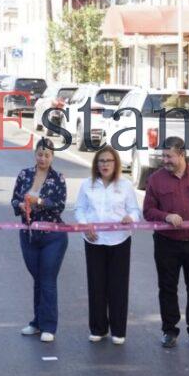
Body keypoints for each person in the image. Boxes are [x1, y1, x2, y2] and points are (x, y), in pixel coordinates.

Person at [143, 136, 189, 350]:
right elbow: (148, 211)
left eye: (169, 156)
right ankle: (169, 330)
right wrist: (166, 216)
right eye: (163, 156)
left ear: (182, 155)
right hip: (167, 243)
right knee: (167, 287)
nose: (165, 160)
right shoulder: (156, 179)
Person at [75, 145, 139, 346]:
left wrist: (131, 218)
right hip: (94, 240)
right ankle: (98, 328)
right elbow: (79, 209)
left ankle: (118, 330)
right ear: (96, 164)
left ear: (116, 163)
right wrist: (85, 225)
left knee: (118, 286)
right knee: (96, 285)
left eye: (108, 161)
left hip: (119, 240)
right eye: (101, 161)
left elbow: (134, 210)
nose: (104, 165)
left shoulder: (125, 185)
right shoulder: (87, 185)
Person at [10, 138, 68, 343]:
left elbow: (59, 205)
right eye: (40, 154)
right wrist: (20, 205)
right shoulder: (24, 174)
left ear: (52, 157)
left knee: (47, 280)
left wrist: (39, 201)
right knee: (38, 279)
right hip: (28, 235)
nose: (43, 158)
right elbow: (14, 199)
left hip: (53, 236)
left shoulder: (58, 178)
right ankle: (37, 322)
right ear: (35, 154)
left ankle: (49, 326)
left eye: (47, 155)